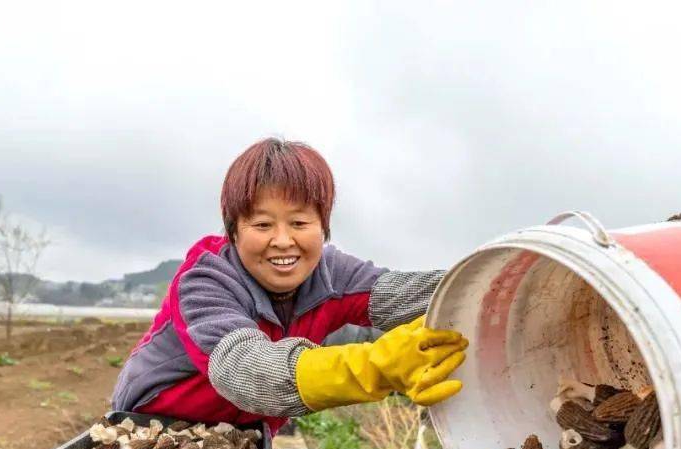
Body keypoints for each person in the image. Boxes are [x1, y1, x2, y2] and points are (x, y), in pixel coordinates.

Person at [111, 138, 467, 432]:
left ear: (322, 226)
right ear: (234, 231)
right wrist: (373, 367)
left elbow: (413, 295)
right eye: (262, 225)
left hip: (244, 437)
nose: (283, 241)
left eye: (299, 222)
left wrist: (512, 279)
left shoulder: (332, 275)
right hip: (152, 429)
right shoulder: (204, 283)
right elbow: (245, 370)